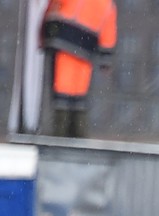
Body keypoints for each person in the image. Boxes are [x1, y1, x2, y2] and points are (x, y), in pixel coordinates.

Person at [40, 0, 116, 138]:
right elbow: (108, 30)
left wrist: (46, 33)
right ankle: (77, 134)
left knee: (62, 90)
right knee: (78, 93)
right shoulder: (107, 4)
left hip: (63, 38)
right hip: (86, 47)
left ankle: (61, 133)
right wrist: (106, 58)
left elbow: (55, 6)